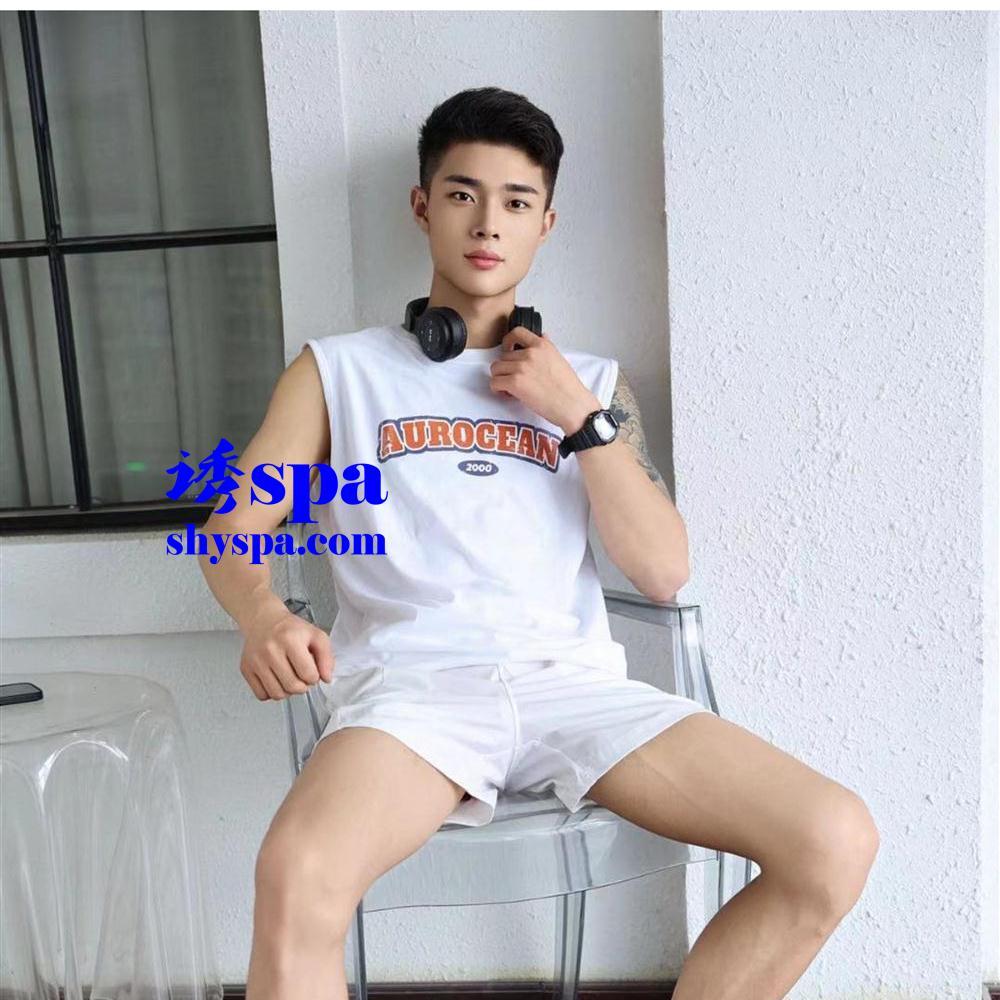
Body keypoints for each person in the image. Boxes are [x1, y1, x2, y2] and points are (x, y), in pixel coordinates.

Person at [199, 86, 879, 1000]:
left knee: (834, 838)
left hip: (574, 690)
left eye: (516, 202)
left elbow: (664, 570)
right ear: (422, 206)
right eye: (463, 194)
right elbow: (233, 530)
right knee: (295, 878)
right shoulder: (339, 371)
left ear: (545, 223)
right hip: (414, 696)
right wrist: (261, 615)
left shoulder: (591, 383)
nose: (489, 223)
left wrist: (579, 416)